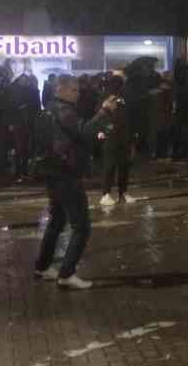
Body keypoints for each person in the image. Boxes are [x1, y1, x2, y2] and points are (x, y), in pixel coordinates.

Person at [35, 76, 117, 289]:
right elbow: (84, 131)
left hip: (53, 171)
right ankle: (67, 273)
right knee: (81, 226)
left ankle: (43, 267)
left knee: (57, 221)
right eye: (73, 90)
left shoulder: (50, 108)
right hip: (66, 173)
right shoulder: (64, 110)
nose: (78, 94)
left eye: (78, 90)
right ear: (59, 90)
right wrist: (105, 112)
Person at [97, 77, 132, 206]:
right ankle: (106, 194)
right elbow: (101, 115)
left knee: (123, 165)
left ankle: (122, 193)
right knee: (110, 166)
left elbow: (126, 116)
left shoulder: (122, 97)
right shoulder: (107, 98)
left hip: (122, 135)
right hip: (111, 136)